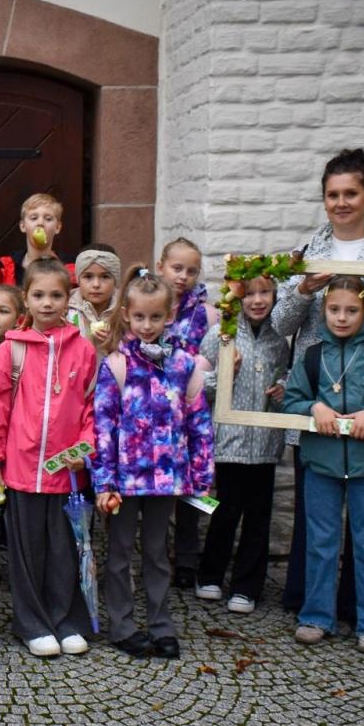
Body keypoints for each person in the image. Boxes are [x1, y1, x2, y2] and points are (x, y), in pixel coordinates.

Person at [273, 148, 364, 620]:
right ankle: (311, 603)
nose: (341, 202)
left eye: (350, 193)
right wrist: (302, 290)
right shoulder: (305, 255)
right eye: (333, 194)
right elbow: (279, 324)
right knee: (316, 516)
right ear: (324, 199)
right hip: (316, 400)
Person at [282, 277, 364, 654]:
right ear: (323, 311)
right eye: (334, 309)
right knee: (320, 543)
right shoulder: (311, 356)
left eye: (351, 310)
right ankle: (316, 616)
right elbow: (291, 401)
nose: (342, 318)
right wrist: (313, 407)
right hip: (320, 464)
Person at [93, 267, 214, 660]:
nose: (147, 325)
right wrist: (104, 481)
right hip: (125, 481)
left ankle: (161, 624)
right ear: (126, 314)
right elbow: (104, 427)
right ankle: (123, 625)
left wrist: (201, 475)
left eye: (156, 317)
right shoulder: (116, 365)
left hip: (167, 479)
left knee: (158, 552)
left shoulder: (183, 365)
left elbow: (198, 423)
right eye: (140, 317)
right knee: (120, 551)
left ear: (170, 315)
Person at [0, 259, 98, 656]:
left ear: (69, 298)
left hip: (66, 474)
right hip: (22, 471)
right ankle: (32, 623)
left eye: (56, 295)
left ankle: (65, 619)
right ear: (25, 299)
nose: (48, 303)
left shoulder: (83, 350)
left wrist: (84, 450)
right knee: (28, 552)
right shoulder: (10, 351)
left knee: (65, 550)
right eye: (39, 295)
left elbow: (92, 409)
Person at [193, 273, 288, 614]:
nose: (257, 300)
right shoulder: (220, 334)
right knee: (224, 512)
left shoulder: (279, 339)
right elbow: (196, 386)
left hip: (264, 444)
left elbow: (288, 375)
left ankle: (247, 587)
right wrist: (224, 374)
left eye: (265, 292)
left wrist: (283, 388)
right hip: (228, 443)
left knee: (258, 518)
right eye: (249, 293)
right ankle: (211, 575)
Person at [157, 236, 219, 591]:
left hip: (190, 413)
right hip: (152, 416)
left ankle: (186, 559)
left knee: (191, 490)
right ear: (162, 265)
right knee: (158, 490)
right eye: (177, 268)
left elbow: (217, 360)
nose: (182, 276)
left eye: (191, 271)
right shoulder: (148, 301)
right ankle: (155, 555)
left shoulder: (206, 314)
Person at [0, 193, 70, 289]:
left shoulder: (69, 269)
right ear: (23, 226)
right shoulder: (4, 270)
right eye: (34, 218)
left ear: (58, 227)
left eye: (48, 219)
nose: (40, 223)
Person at [68, 245, 121, 348]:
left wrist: (117, 343)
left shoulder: (126, 313)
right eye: (88, 277)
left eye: (105, 277)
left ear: (116, 280)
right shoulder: (64, 311)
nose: (96, 284)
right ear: (78, 279)